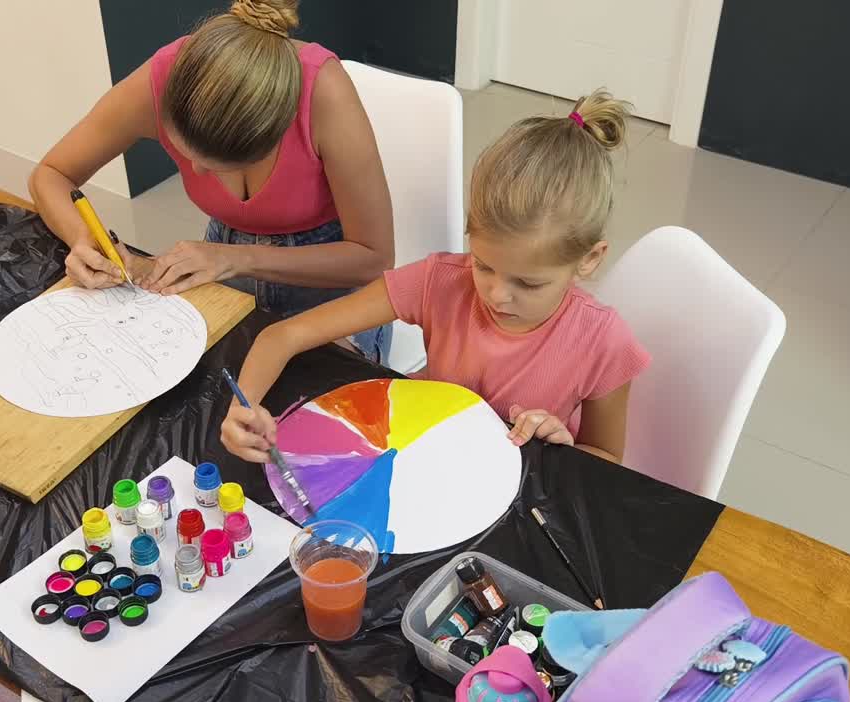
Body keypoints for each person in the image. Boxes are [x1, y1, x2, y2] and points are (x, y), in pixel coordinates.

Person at [221, 91, 651, 464]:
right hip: (431, 458)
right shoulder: (439, 281)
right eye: (483, 265)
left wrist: (560, 443)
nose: (498, 295)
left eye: (529, 284)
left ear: (590, 259)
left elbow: (607, 459)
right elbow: (283, 336)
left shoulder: (603, 341)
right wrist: (244, 408)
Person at [28, 0, 394, 363]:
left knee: (311, 405)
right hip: (220, 259)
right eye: (185, 153)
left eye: (216, 165)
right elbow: (51, 175)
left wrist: (238, 258)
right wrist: (82, 238)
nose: (196, 172)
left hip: (329, 278)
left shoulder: (323, 95)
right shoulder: (164, 80)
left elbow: (372, 259)